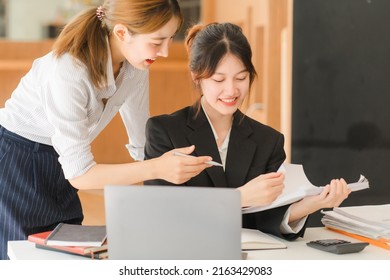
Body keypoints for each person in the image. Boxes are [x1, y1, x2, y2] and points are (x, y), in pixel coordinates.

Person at [0, 0, 212, 260]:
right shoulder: (68, 71)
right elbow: (80, 174)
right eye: (157, 42)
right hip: (15, 161)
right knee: (23, 261)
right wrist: (157, 168)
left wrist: (167, 193)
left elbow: (141, 143)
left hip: (59, 162)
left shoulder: (135, 66)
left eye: (170, 39)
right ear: (122, 32)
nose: (165, 52)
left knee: (65, 257)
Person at [144, 22, 351, 240]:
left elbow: (266, 217)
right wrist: (239, 197)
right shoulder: (165, 131)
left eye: (241, 78)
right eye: (219, 79)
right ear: (197, 76)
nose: (231, 90)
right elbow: (163, 214)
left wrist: (312, 204)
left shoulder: (268, 140)